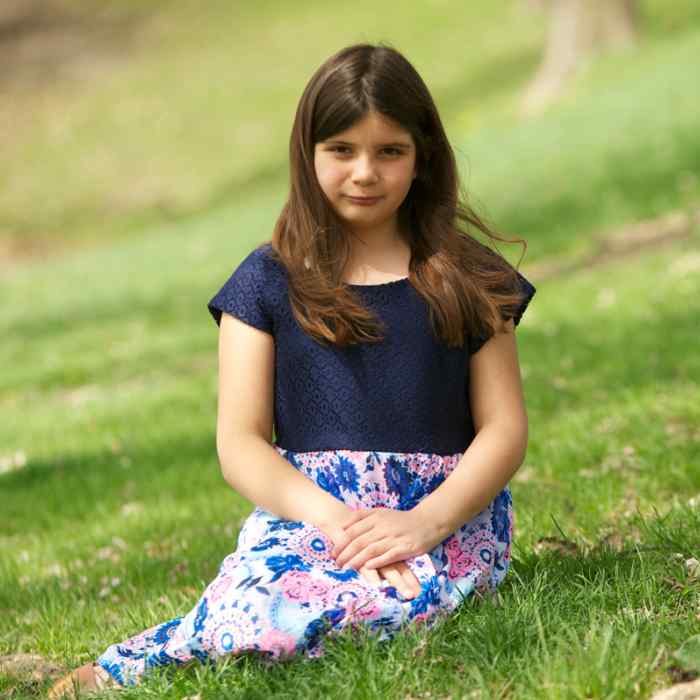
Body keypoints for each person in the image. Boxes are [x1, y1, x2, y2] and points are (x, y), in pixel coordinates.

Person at [49, 41, 536, 698]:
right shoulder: (266, 283)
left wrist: (427, 521)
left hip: (442, 517)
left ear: (422, 158)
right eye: (342, 150)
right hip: (311, 514)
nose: (365, 172)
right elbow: (241, 443)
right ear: (307, 155)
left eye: (389, 151)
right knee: (256, 608)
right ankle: (144, 663)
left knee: (392, 608)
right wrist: (334, 520)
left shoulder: (469, 276)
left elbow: (504, 429)